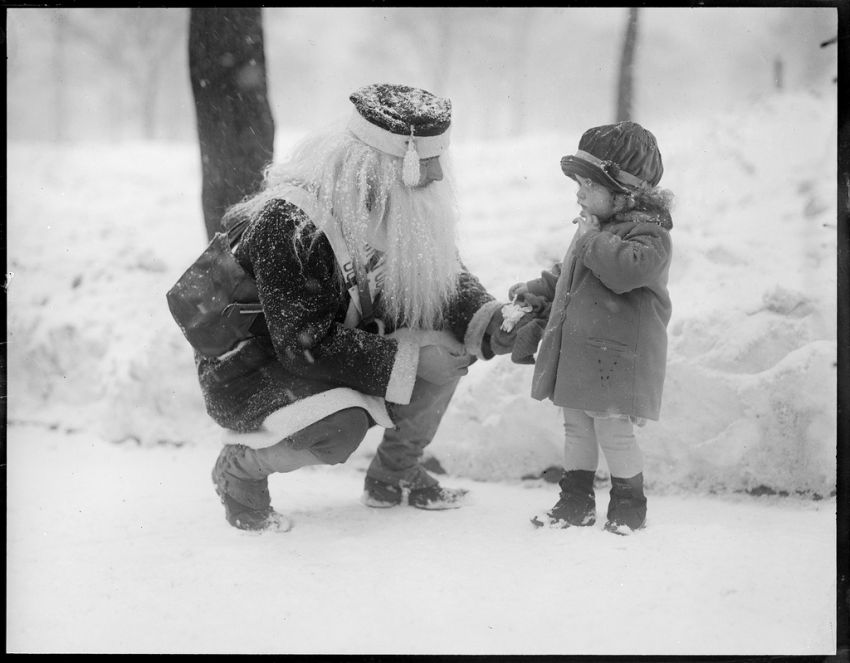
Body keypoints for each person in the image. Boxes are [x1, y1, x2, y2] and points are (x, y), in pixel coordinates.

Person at [200, 83, 518, 531]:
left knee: (448, 347)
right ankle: (242, 466)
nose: (438, 178)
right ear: (389, 164)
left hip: (328, 348)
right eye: (429, 164)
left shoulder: (389, 203)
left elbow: (441, 278)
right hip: (251, 370)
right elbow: (301, 343)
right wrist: (410, 361)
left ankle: (395, 473)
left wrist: (491, 320)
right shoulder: (287, 221)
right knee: (340, 430)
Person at [509, 121, 674, 534]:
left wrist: (589, 239)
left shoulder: (651, 235)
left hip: (616, 358)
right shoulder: (593, 229)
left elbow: (625, 270)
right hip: (582, 354)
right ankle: (575, 500)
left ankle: (629, 505)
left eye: (588, 185)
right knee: (576, 426)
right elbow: (571, 272)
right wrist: (539, 289)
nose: (578, 193)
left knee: (614, 432)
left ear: (624, 191)